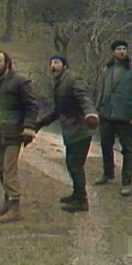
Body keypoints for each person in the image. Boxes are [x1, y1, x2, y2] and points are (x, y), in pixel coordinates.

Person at [0, 50, 39, 223]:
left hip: (14, 131)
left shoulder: (20, 82)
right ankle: (7, 201)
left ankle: (15, 207)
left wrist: (28, 127)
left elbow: (32, 106)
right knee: (0, 168)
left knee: (9, 169)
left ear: (8, 63)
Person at [36, 55, 99, 213]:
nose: (53, 66)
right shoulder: (59, 82)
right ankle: (77, 195)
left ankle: (82, 201)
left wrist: (90, 113)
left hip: (81, 128)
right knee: (72, 163)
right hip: (72, 129)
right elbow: (59, 110)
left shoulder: (73, 79)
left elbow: (84, 98)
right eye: (51, 63)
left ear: (65, 65)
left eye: (56, 63)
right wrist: (41, 123)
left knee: (74, 164)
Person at [95, 40, 132, 196]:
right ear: (113, 52)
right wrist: (97, 109)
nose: (122, 51)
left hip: (126, 115)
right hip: (107, 114)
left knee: (127, 149)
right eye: (118, 49)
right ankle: (108, 174)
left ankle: (126, 182)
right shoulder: (107, 69)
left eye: (124, 49)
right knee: (105, 145)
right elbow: (101, 90)